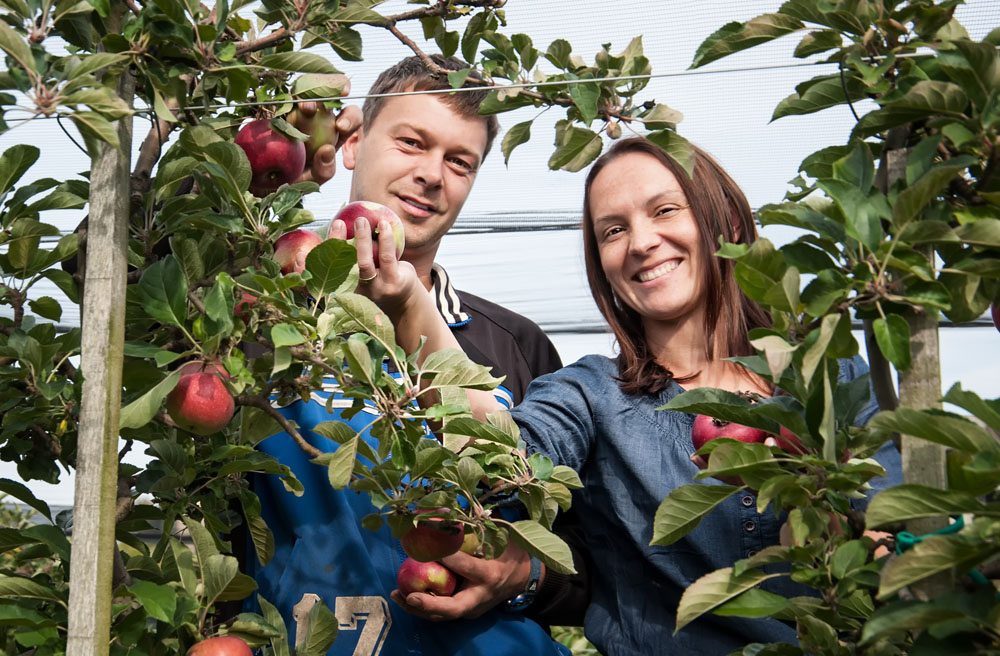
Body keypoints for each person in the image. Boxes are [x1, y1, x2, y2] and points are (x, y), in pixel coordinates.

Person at [355, 136, 903, 655]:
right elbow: (495, 452)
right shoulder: (593, 394)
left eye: (665, 210)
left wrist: (815, 500)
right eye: (613, 231)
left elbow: (889, 542)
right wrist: (411, 305)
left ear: (728, 222)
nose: (641, 243)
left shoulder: (823, 375)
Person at [244, 55, 588, 656]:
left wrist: (527, 573)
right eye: (411, 142)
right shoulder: (259, 315)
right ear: (352, 144)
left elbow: (591, 559)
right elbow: (114, 275)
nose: (432, 174)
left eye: (460, 161)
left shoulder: (512, 342)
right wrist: (260, 169)